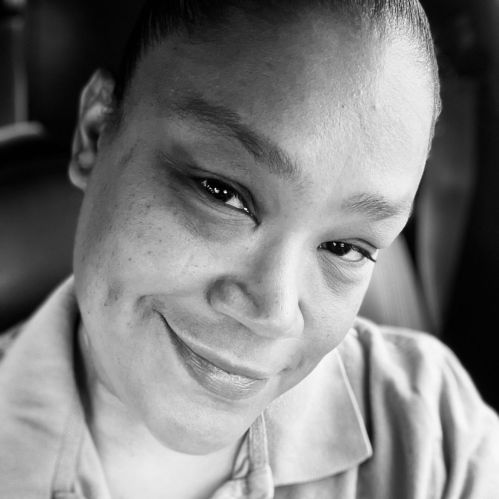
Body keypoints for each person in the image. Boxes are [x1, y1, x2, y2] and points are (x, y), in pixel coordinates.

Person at [0, 0, 498, 497]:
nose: (274, 314)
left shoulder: (436, 439)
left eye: (344, 247)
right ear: (94, 133)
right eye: (223, 193)